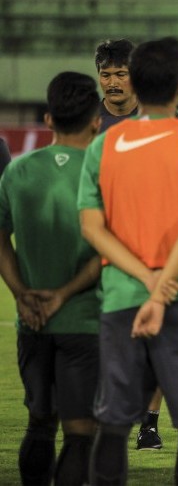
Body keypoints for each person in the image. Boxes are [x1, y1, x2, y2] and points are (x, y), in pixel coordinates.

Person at [79, 37, 178, 485]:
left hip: (122, 295)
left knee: (114, 421)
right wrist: (162, 287)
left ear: (135, 82)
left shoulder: (103, 146)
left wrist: (142, 277)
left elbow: (92, 228)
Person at [0, 72, 102, 485]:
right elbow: (106, 251)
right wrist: (62, 294)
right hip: (85, 321)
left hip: (32, 322)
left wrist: (24, 294)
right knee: (80, 437)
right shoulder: (102, 172)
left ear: (48, 118)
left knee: (39, 423)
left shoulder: (17, 172)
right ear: (96, 120)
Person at [94, 37, 169, 450]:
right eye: (106, 74)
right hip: (98, 249)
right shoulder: (89, 123)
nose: (113, 82)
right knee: (103, 342)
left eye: (120, 73)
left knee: (152, 338)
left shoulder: (157, 121)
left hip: (148, 247)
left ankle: (150, 422)